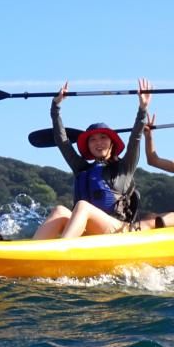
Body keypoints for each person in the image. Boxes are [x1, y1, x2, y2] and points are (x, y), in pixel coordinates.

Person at [32, 78, 151, 240]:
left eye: (103, 138)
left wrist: (142, 110)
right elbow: (62, 142)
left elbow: (135, 139)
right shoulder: (82, 169)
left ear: (111, 143)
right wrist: (55, 107)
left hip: (118, 232)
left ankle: (62, 250)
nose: (98, 143)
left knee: (82, 207)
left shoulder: (124, 167)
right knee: (59, 210)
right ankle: (35, 252)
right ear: (87, 146)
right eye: (93, 140)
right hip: (91, 233)